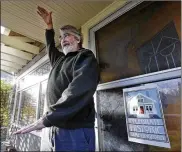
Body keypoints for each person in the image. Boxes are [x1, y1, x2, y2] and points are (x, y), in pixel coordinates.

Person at [14, 6, 100, 151]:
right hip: (54, 127)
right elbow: (50, 48)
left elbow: (77, 90)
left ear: (78, 38)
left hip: (75, 130)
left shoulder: (85, 57)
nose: (62, 39)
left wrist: (48, 118)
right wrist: (49, 27)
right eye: (61, 37)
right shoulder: (60, 60)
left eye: (66, 35)